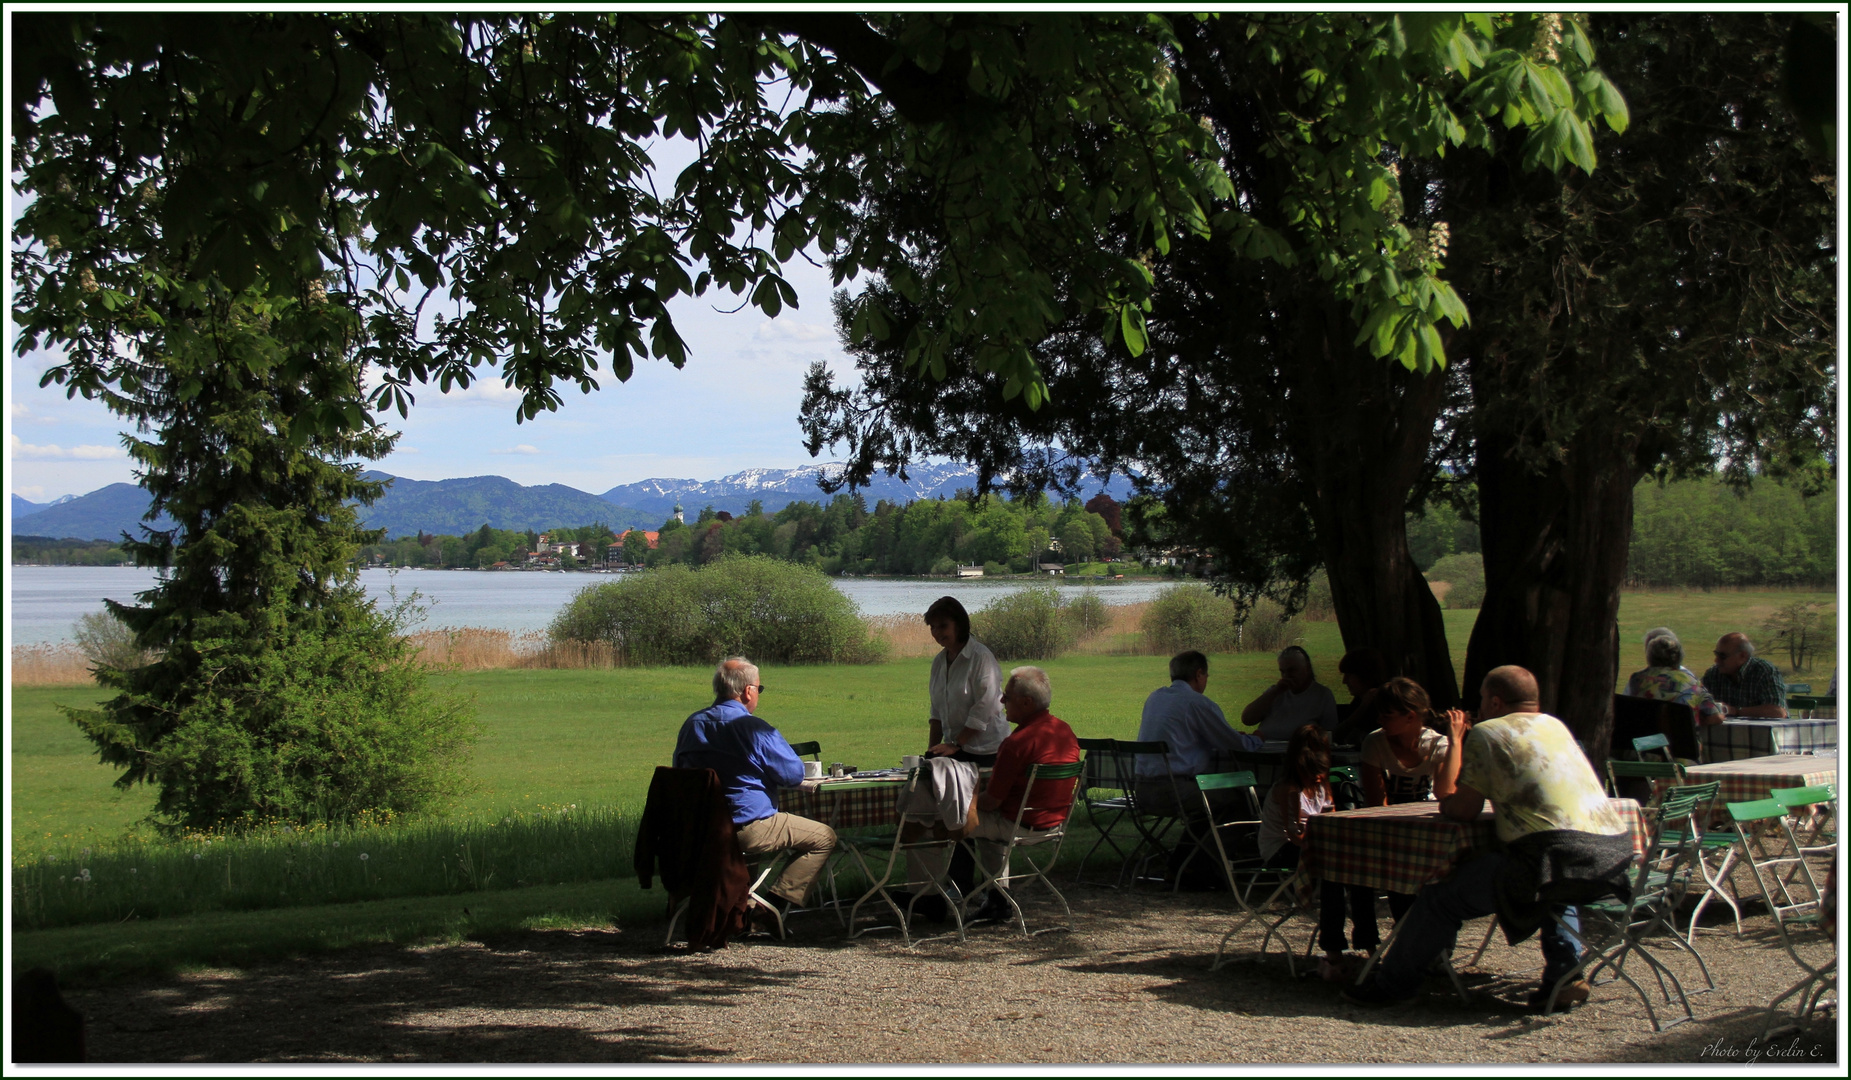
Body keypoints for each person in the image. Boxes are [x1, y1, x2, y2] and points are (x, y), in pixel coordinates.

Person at [1343, 666, 1634, 1011]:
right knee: (1558, 881)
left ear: (1495, 701)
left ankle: (1394, 985)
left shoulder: (1488, 732)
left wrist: (1448, 799)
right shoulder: (1555, 726)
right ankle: (1565, 975)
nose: (1477, 707)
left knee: (1439, 898)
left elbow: (1463, 810)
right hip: (1609, 855)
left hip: (1547, 858)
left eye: (1481, 698)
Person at [674, 656, 837, 930]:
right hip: (746, 826)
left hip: (701, 830)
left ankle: (742, 908)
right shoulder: (753, 728)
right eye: (758, 689)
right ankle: (773, 905)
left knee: (747, 846)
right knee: (824, 837)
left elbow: (680, 771)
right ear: (748, 691)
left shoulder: (692, 725)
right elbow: (793, 774)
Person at [912, 665, 1080, 923]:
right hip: (1054, 823)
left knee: (928, 822)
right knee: (984, 827)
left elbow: (991, 803)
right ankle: (998, 899)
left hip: (1017, 825)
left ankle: (928, 898)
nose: (1001, 701)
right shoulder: (1064, 732)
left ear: (1026, 703)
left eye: (1007, 696)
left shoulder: (1017, 743)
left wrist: (957, 799)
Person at [1257, 724, 1379, 977]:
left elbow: (1330, 819)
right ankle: (1333, 952)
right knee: (1333, 874)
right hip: (1283, 848)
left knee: (1359, 873)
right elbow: (1295, 836)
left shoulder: (1321, 785)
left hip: (1316, 846)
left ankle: (1369, 944)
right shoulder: (1288, 790)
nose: (1318, 778)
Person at [1359, 677, 1468, 930]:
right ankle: (1403, 935)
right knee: (1396, 876)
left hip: (1428, 830)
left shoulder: (1436, 744)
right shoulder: (1375, 743)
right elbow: (1377, 802)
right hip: (1392, 830)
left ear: (1410, 717)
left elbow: (1445, 792)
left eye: (1387, 716)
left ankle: (1436, 940)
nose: (1380, 721)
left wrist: (1455, 744)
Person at [1134, 650, 1261, 817]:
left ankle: (1194, 843)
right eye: (1206, 675)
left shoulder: (1155, 698)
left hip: (1142, 791)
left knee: (1209, 802)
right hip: (1176, 792)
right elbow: (1236, 745)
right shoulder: (1197, 703)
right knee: (1243, 798)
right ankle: (1215, 843)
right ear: (1199, 674)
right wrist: (1257, 738)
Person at [923, 596, 1011, 765]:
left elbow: (986, 706)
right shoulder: (939, 662)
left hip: (987, 751)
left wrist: (956, 743)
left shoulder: (980, 657)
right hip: (956, 750)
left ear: (959, 624)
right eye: (933, 627)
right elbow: (937, 713)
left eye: (943, 626)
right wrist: (931, 752)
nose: (937, 632)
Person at [1624, 627, 1724, 726]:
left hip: (1644, 741)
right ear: (1679, 656)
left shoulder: (1636, 680)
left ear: (1649, 656)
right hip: (1681, 741)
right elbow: (1715, 717)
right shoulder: (1691, 682)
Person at [1241, 645, 1339, 741]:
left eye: (1292, 670)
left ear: (1307, 668)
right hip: (1265, 748)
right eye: (1283, 672)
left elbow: (1329, 735)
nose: (1286, 676)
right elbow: (1247, 720)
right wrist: (1275, 692)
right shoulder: (1275, 693)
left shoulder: (1322, 695)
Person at [1701, 632, 1788, 718]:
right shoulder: (1713, 675)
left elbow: (1778, 712)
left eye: (1722, 656)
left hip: (1766, 731)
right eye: (1716, 654)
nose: (1716, 660)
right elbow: (1696, 704)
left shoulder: (1764, 671)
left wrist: (1735, 711)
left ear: (1742, 656)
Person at [1331, 647, 1391, 747]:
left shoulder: (1384, 705)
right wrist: (1362, 707)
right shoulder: (1358, 701)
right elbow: (1337, 735)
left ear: (1365, 675)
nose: (1344, 681)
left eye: (1349, 675)